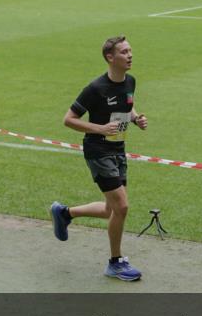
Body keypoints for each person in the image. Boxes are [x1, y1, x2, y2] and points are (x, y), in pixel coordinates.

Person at [49, 36, 147, 282]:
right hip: (98, 151)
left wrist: (135, 119)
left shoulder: (130, 81)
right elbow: (69, 119)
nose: (130, 55)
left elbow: (128, 104)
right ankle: (115, 263)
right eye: (124, 52)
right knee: (122, 207)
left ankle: (65, 213)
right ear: (110, 57)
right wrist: (100, 129)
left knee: (109, 209)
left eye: (130, 51)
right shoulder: (95, 88)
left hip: (118, 148)